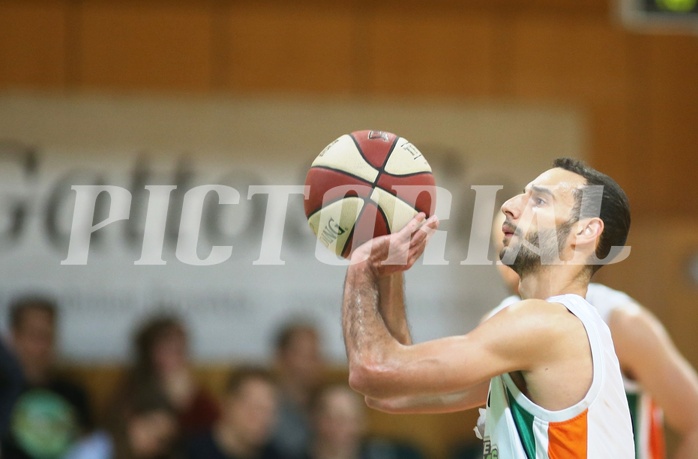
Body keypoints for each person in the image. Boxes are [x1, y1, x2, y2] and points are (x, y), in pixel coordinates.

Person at [341, 158, 635, 457]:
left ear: (585, 231)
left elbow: (372, 371)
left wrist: (362, 266)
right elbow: (391, 394)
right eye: (523, 194)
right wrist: (390, 269)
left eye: (540, 200)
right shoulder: (550, 332)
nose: (509, 205)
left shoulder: (546, 324)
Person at [491, 227, 698, 459]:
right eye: (503, 249)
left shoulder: (623, 323)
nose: (510, 261)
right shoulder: (497, 323)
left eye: (523, 246)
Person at [1, 296, 93, 459]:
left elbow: (88, 447)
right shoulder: (4, 392)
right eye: (34, 335)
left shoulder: (73, 392)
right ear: (14, 337)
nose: (43, 345)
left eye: (48, 335)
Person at [111, 314, 219, 439]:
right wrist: (174, 407)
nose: (174, 359)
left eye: (179, 351)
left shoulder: (197, 397)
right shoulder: (131, 394)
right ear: (148, 354)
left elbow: (213, 435)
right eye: (166, 350)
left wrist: (189, 403)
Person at [186, 365, 284, 459]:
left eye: (271, 410)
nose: (264, 418)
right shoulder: (191, 452)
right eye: (255, 408)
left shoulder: (277, 455)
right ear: (228, 405)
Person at [303, 383, 424, 459]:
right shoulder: (291, 454)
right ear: (315, 419)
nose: (341, 427)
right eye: (332, 418)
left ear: (362, 423)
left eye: (350, 420)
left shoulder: (392, 453)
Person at [65, 386, 180, 459]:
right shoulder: (94, 449)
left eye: (162, 440)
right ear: (130, 415)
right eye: (151, 426)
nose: (153, 440)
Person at [269, 321, 326, 458]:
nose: (314, 362)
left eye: (316, 354)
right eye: (306, 354)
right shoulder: (268, 407)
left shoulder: (325, 404)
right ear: (281, 356)